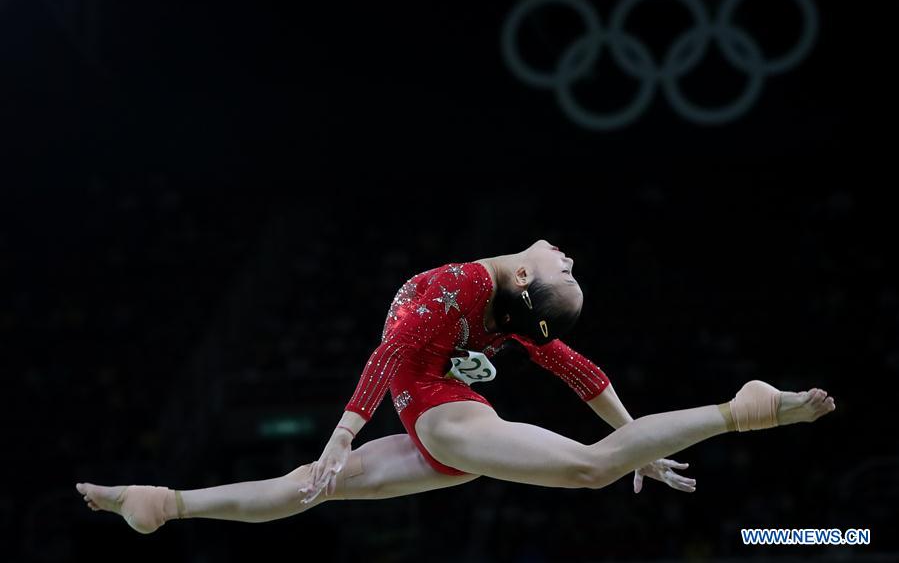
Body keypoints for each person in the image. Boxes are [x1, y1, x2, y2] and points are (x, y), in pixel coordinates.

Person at [76, 239, 836, 534]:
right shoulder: (462, 288)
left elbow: (575, 368)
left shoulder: (497, 296)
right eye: (571, 269)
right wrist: (342, 437)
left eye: (570, 267)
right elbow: (388, 353)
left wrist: (633, 434)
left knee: (596, 461)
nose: (570, 256)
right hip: (432, 417)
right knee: (307, 488)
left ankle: (738, 409)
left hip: (439, 417)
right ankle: (169, 501)